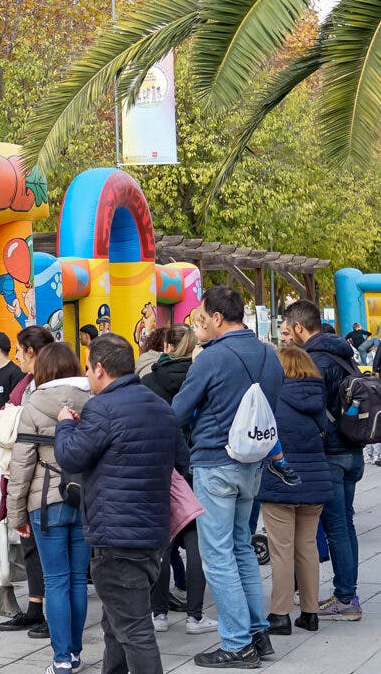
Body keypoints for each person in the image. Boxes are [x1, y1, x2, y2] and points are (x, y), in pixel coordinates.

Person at [55, 334, 186, 674]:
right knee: (117, 625)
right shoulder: (159, 405)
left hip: (116, 534)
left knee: (134, 630)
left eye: (87, 368)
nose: (86, 376)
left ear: (99, 368)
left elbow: (71, 455)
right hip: (151, 532)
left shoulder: (102, 407)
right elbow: (181, 463)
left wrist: (66, 425)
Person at [172, 286, 284, 667]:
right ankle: (257, 633)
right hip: (252, 461)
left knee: (218, 556)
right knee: (241, 548)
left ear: (218, 318)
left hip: (214, 462)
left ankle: (237, 643)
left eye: (202, 318)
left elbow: (179, 410)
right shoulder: (271, 354)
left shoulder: (210, 358)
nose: (200, 324)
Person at [7, 343, 93, 674]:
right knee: (76, 581)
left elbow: (21, 467)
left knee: (55, 581)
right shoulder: (92, 402)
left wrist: (15, 515)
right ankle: (74, 652)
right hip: (83, 498)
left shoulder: (32, 407)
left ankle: (60, 659)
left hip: (45, 502)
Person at [279, 299, 364, 621]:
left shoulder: (313, 360)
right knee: (347, 523)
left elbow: (309, 405)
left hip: (332, 452)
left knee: (337, 527)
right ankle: (347, 592)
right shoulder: (345, 354)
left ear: (300, 327)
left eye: (290, 329)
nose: (288, 336)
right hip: (354, 449)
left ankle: (346, 597)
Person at [141, 325, 216, 636]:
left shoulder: (148, 381)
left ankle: (158, 613)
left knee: (164, 544)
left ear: (167, 346)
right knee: (196, 543)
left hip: (161, 468)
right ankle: (195, 615)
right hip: (196, 465)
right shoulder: (203, 377)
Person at [259, 345, 333, 636]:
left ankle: (280, 614)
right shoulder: (317, 396)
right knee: (307, 548)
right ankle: (310, 612)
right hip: (314, 483)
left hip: (281, 482)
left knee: (282, 550)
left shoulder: (274, 397)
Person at [0, 324, 55, 639]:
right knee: (30, 542)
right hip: (26, 471)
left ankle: (54, 615)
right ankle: (35, 606)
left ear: (30, 351)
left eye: (19, 350)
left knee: (51, 549)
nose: (17, 356)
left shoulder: (49, 386)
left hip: (48, 476)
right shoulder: (27, 384)